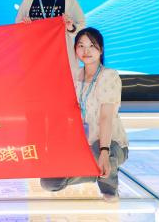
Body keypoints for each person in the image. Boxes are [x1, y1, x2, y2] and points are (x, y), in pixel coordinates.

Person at [40, 27, 129, 202]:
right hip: (81, 147)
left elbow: (106, 117)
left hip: (110, 145)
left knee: (98, 150)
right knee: (49, 182)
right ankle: (96, 173)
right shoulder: (74, 76)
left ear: (101, 50)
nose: (86, 51)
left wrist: (104, 151)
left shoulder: (109, 76)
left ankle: (109, 183)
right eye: (81, 45)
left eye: (91, 46)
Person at [15, 0, 85, 70]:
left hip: (62, 60)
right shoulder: (27, 2)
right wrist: (24, 27)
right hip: (34, 60)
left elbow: (81, 26)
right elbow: (17, 32)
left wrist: (70, 27)